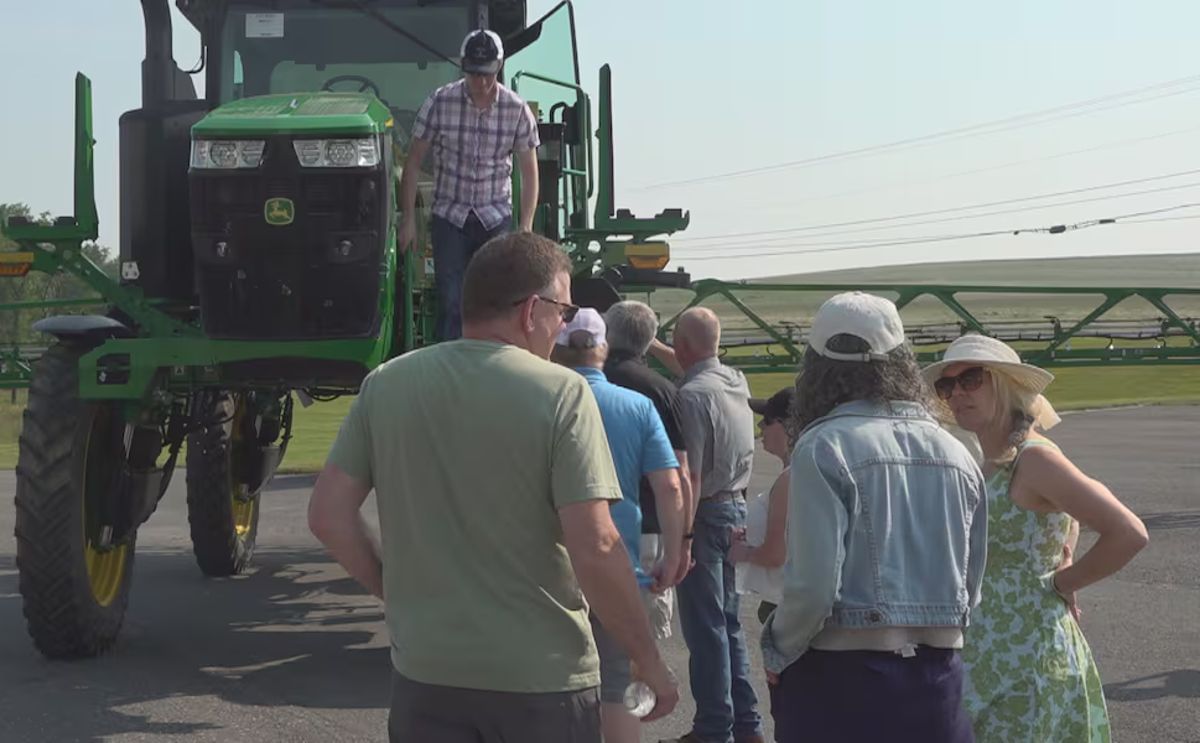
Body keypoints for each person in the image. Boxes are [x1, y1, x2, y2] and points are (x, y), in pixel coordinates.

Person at [307, 232, 678, 743]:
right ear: (532, 310)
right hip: (539, 680)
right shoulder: (562, 392)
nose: (562, 325)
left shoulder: (386, 383)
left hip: (427, 675)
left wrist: (394, 589)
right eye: (563, 311)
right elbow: (595, 544)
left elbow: (328, 515)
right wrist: (646, 657)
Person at [761, 291, 988, 743]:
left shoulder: (823, 446)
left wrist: (777, 646)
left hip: (843, 679)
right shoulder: (957, 452)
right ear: (901, 361)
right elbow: (972, 583)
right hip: (937, 681)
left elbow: (814, 588)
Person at [923, 333, 1149, 742]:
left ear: (1004, 384)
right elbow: (1065, 515)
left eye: (971, 379)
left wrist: (1063, 581)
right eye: (947, 385)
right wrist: (1063, 549)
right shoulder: (993, 463)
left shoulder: (1034, 458)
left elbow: (1128, 532)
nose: (957, 393)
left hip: (1028, 662)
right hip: (990, 657)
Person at [551, 307, 686, 743]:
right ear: (603, 349)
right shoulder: (638, 406)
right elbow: (670, 485)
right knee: (620, 682)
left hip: (550, 571)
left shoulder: (543, 401)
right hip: (620, 566)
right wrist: (675, 551)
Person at [656, 307, 765, 743]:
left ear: (682, 348)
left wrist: (680, 538)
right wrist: (654, 344)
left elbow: (691, 477)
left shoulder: (689, 397)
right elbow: (694, 358)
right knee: (730, 626)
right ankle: (747, 724)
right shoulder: (735, 381)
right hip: (736, 507)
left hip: (703, 515)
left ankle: (712, 728)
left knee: (705, 632)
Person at [398, 28, 541, 341]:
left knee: (498, 301)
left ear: (499, 67)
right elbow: (412, 163)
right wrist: (408, 219)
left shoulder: (516, 110)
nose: (482, 82)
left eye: (488, 74)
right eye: (475, 74)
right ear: (463, 68)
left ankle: (493, 366)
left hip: (495, 217)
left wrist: (526, 225)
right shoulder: (439, 101)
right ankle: (451, 369)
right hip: (450, 216)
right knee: (452, 299)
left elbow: (530, 172)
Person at [603, 300, 696, 601]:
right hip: (646, 529)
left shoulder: (573, 383)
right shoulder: (663, 391)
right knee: (640, 630)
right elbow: (678, 476)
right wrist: (682, 543)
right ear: (648, 340)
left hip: (583, 523)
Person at [729, 386, 794, 625]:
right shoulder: (797, 472)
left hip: (786, 604)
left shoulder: (790, 478)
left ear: (788, 426)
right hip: (785, 599)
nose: (760, 428)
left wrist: (742, 553)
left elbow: (777, 554)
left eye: (766, 421)